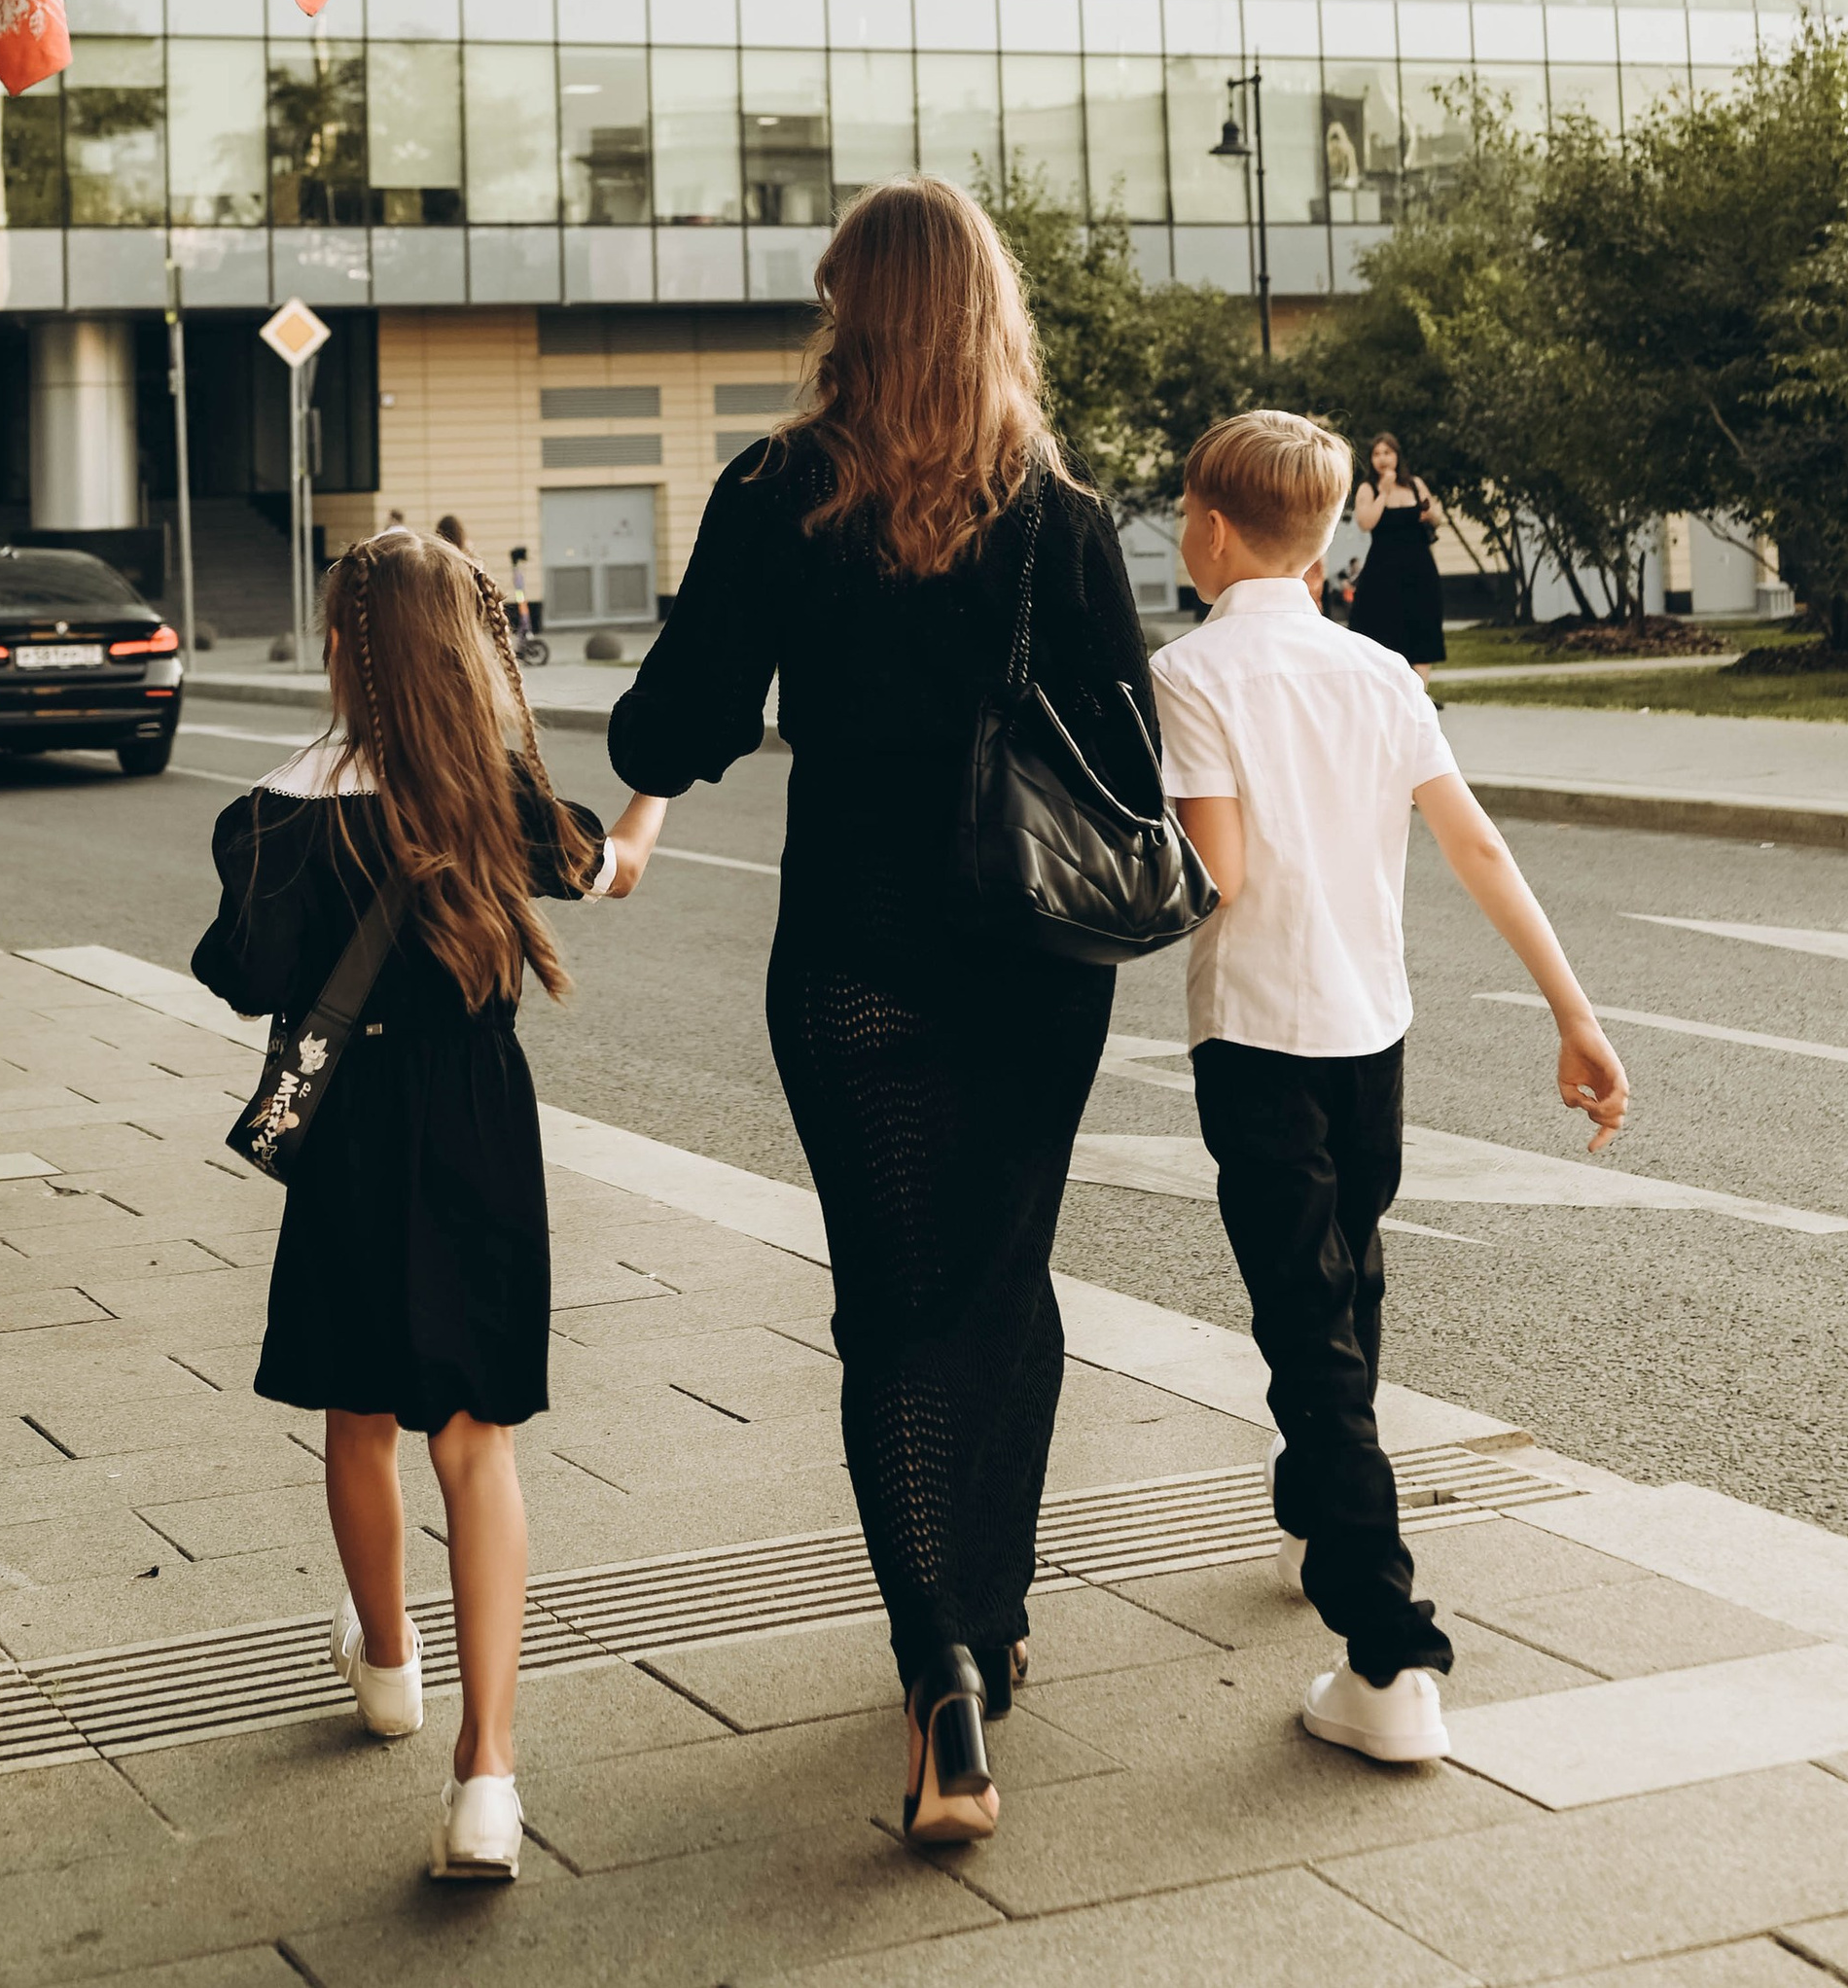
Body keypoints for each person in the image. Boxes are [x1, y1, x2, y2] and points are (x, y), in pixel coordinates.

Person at [607, 177, 1155, 1849]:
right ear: (992, 310)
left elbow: (677, 718)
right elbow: (1128, 765)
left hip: (852, 959)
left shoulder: (778, 492)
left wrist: (643, 768)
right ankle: (991, 1613)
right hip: (1035, 968)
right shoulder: (1061, 515)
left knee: (889, 1310)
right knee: (1002, 1282)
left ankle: (942, 1676)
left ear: (851, 309)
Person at [191, 529, 668, 1882]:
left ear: (343, 646)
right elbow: (610, 867)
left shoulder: (276, 805)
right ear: (459, 648)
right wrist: (657, 796)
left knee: (357, 1409)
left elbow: (240, 969)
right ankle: (487, 1777)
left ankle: (388, 1664)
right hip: (471, 1115)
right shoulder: (494, 790)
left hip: (347, 1130)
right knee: (477, 1437)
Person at [1154, 411, 1628, 1768]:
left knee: (1311, 1330)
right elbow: (1471, 840)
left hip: (1255, 1035)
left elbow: (1218, 874)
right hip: (1374, 1034)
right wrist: (1572, 1010)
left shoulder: (1188, 670)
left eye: (1187, 507)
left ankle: (1390, 1653)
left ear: (1217, 526)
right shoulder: (1375, 670)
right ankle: (1316, 1506)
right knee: (1347, 1283)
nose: (1183, 526)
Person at [1349, 432, 1445, 676]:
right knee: (1382, 632)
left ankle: (1421, 698)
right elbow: (1365, 522)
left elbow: (1437, 517)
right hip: (1383, 571)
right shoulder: (1367, 488)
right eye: (1376, 454)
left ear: (1397, 455)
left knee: (1423, 631)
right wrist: (1383, 491)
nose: (1382, 459)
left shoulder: (1415, 484)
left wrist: (1430, 515)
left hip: (1419, 568)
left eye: (1387, 453)